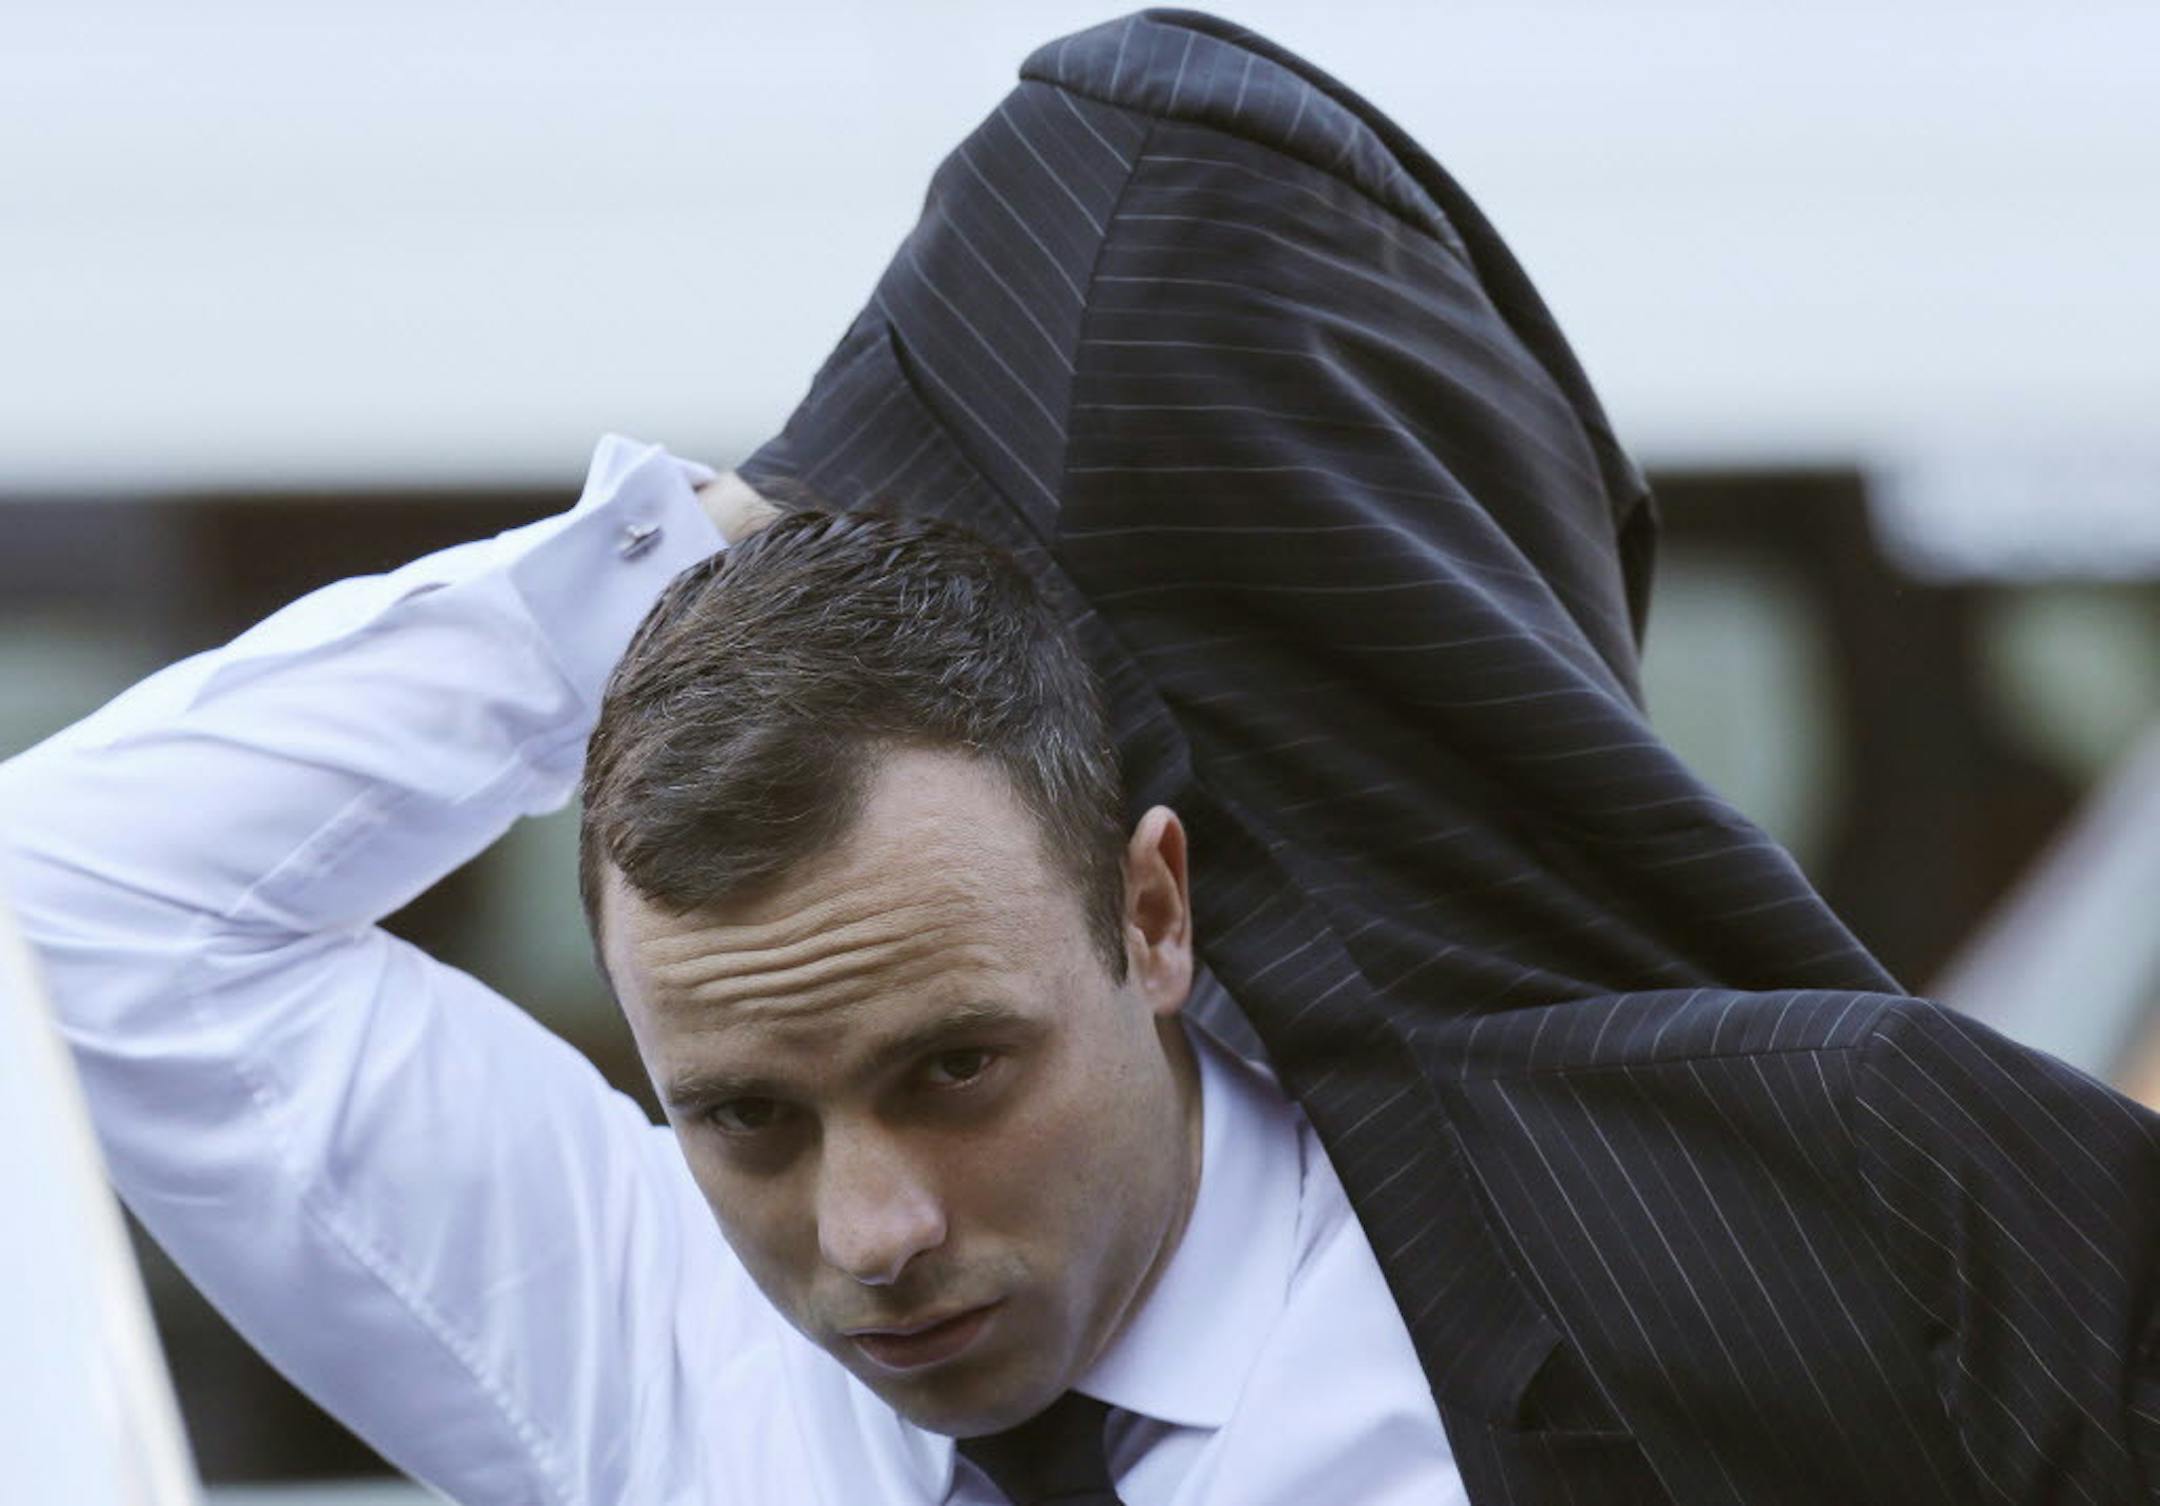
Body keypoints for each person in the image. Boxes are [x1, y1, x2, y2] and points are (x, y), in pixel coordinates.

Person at [4, 11, 2156, 1506]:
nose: (870, 1233)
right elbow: (84, 896)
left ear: (1151, 908)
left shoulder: (1790, 1216)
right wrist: (735, 546)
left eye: (955, 1066)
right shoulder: (679, 1361)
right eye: (739, 1119)